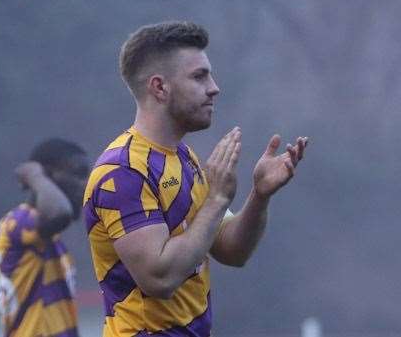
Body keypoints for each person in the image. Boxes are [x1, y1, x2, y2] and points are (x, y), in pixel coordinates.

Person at [83, 21, 309, 336]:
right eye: (199, 76)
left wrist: (259, 196)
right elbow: (159, 278)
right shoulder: (123, 171)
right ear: (159, 87)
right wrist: (216, 200)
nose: (214, 87)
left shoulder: (184, 158)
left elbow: (232, 250)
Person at [0, 139, 90, 337]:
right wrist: (34, 176)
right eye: (78, 175)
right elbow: (59, 213)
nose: (86, 184)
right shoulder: (17, 224)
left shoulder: (52, 242)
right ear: (46, 175)